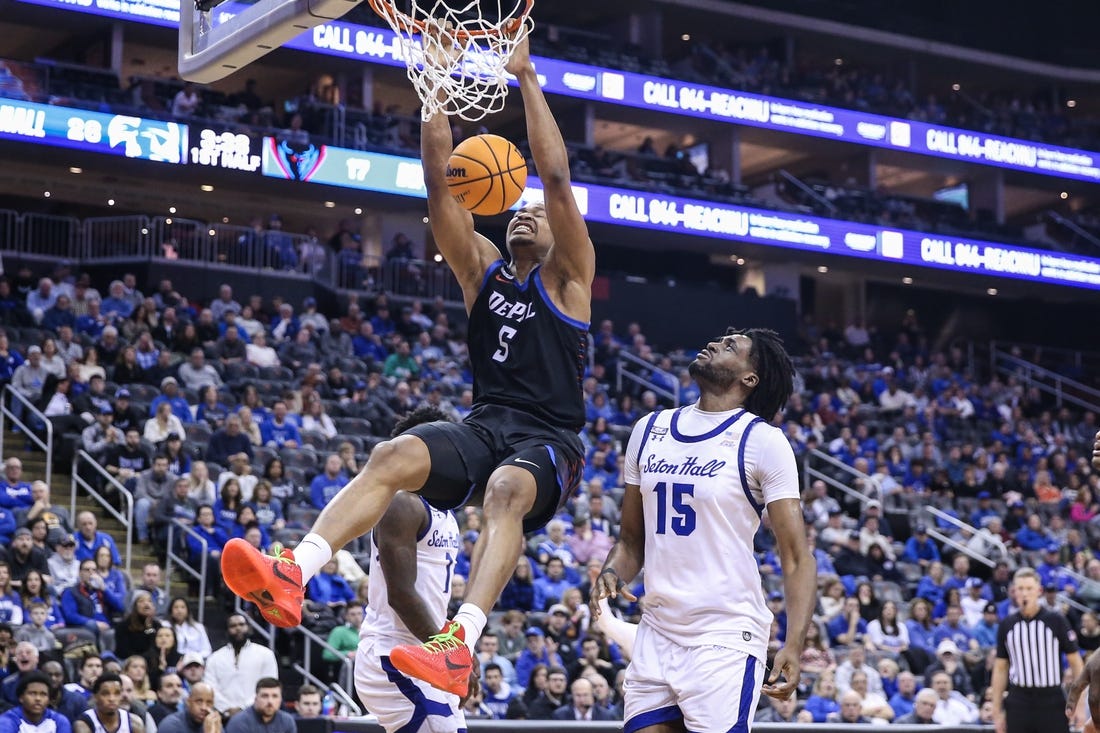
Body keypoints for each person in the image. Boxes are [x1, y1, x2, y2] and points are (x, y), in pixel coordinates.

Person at [221, 32, 595, 699]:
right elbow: (440, 181)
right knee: (393, 453)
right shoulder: (481, 273)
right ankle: (295, 571)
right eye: (518, 210)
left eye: (537, 214)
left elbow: (558, 179)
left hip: (550, 441)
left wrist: (527, 78)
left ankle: (460, 642)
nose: (525, 215)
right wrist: (435, 84)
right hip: (486, 427)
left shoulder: (569, 282)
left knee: (508, 489)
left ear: (558, 232)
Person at [591, 328, 815, 731]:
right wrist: (612, 571)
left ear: (750, 378)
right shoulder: (649, 428)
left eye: (731, 346)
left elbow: (797, 557)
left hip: (724, 635)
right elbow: (630, 540)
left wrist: (794, 644)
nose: (714, 344)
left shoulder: (763, 441)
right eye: (718, 340)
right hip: (657, 630)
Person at [352, 405, 468, 731]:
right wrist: (452, 657)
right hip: (393, 655)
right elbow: (401, 595)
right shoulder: (402, 503)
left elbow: (432, 596)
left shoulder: (445, 510)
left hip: (426, 652)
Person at [991, 567, 1082, 733]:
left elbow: (1076, 663)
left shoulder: (1056, 620)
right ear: (1014, 592)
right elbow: (1000, 668)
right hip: (1019, 698)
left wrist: (1080, 705)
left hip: (1051, 698)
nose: (1024, 593)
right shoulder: (1007, 625)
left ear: (1039, 591)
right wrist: (997, 710)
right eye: (1020, 589)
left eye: (1029, 588)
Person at [202, 615, 277, 717]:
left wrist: (244, 708)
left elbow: (269, 685)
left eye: (241, 624)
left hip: (257, 714)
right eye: (233, 626)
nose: (238, 628)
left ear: (249, 628)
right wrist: (227, 709)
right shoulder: (214, 658)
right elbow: (210, 687)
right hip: (223, 715)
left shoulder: (266, 654)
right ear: (227, 630)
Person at [0, 672, 73, 733]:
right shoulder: (7, 721)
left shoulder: (59, 721)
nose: (38, 699)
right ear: (21, 697)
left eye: (43, 694)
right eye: (32, 693)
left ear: (49, 699)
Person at [73, 673, 145, 733]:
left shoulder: (134, 723)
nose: (112, 699)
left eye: (117, 693)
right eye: (105, 694)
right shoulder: (84, 724)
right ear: (95, 697)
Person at [223, 678, 295, 733]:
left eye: (275, 696)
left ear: (281, 699)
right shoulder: (239, 722)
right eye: (265, 696)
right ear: (256, 698)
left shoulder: (287, 721)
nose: (270, 701)